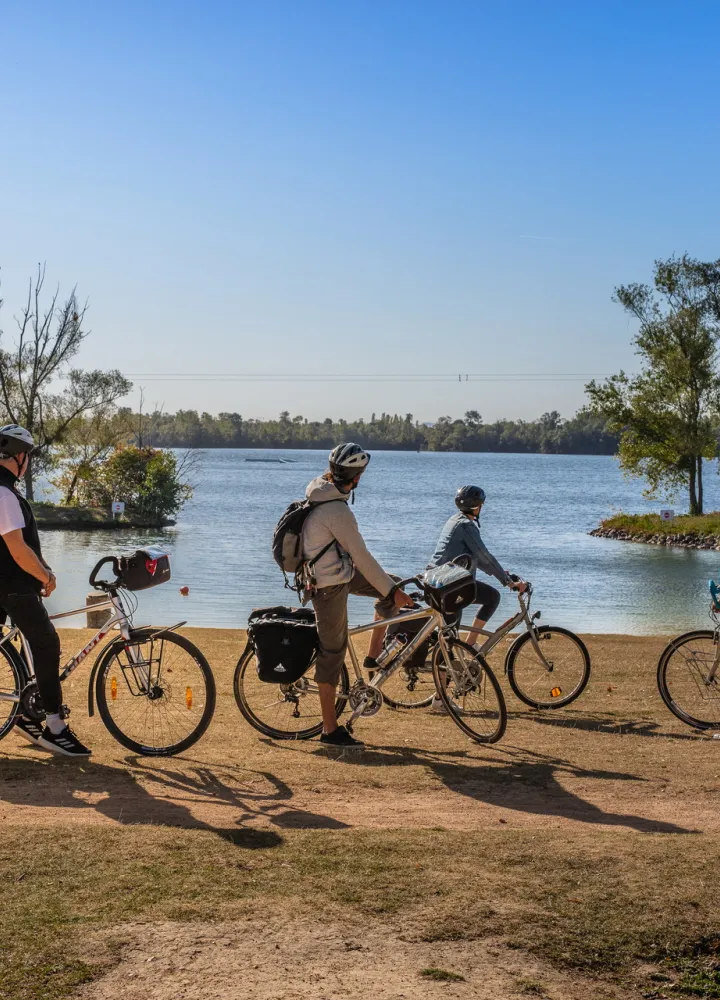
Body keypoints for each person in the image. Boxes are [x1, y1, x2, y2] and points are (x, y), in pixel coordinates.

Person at [302, 443, 413, 748]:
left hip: (342, 572)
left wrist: (392, 589)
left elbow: (359, 562)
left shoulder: (322, 490)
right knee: (333, 650)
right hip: (328, 584)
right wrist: (393, 592)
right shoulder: (336, 510)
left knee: (394, 585)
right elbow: (362, 556)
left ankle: (373, 656)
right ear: (356, 478)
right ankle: (329, 730)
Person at [0, 425, 91, 756]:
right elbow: (17, 550)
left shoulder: (5, 492)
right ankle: (55, 727)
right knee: (47, 644)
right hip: (12, 587)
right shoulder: (4, 494)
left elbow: (24, 546)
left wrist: (43, 570)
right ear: (18, 457)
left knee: (21, 648)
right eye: (28, 457)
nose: (29, 464)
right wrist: (46, 578)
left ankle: (25, 715)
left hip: (11, 585)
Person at [426, 484, 526, 712]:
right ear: (477, 507)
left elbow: (479, 559)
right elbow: (483, 556)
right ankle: (439, 700)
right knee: (447, 642)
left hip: (450, 582)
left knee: (491, 597)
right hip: (446, 586)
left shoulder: (457, 520)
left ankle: (469, 644)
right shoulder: (466, 526)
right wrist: (508, 581)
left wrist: (504, 576)